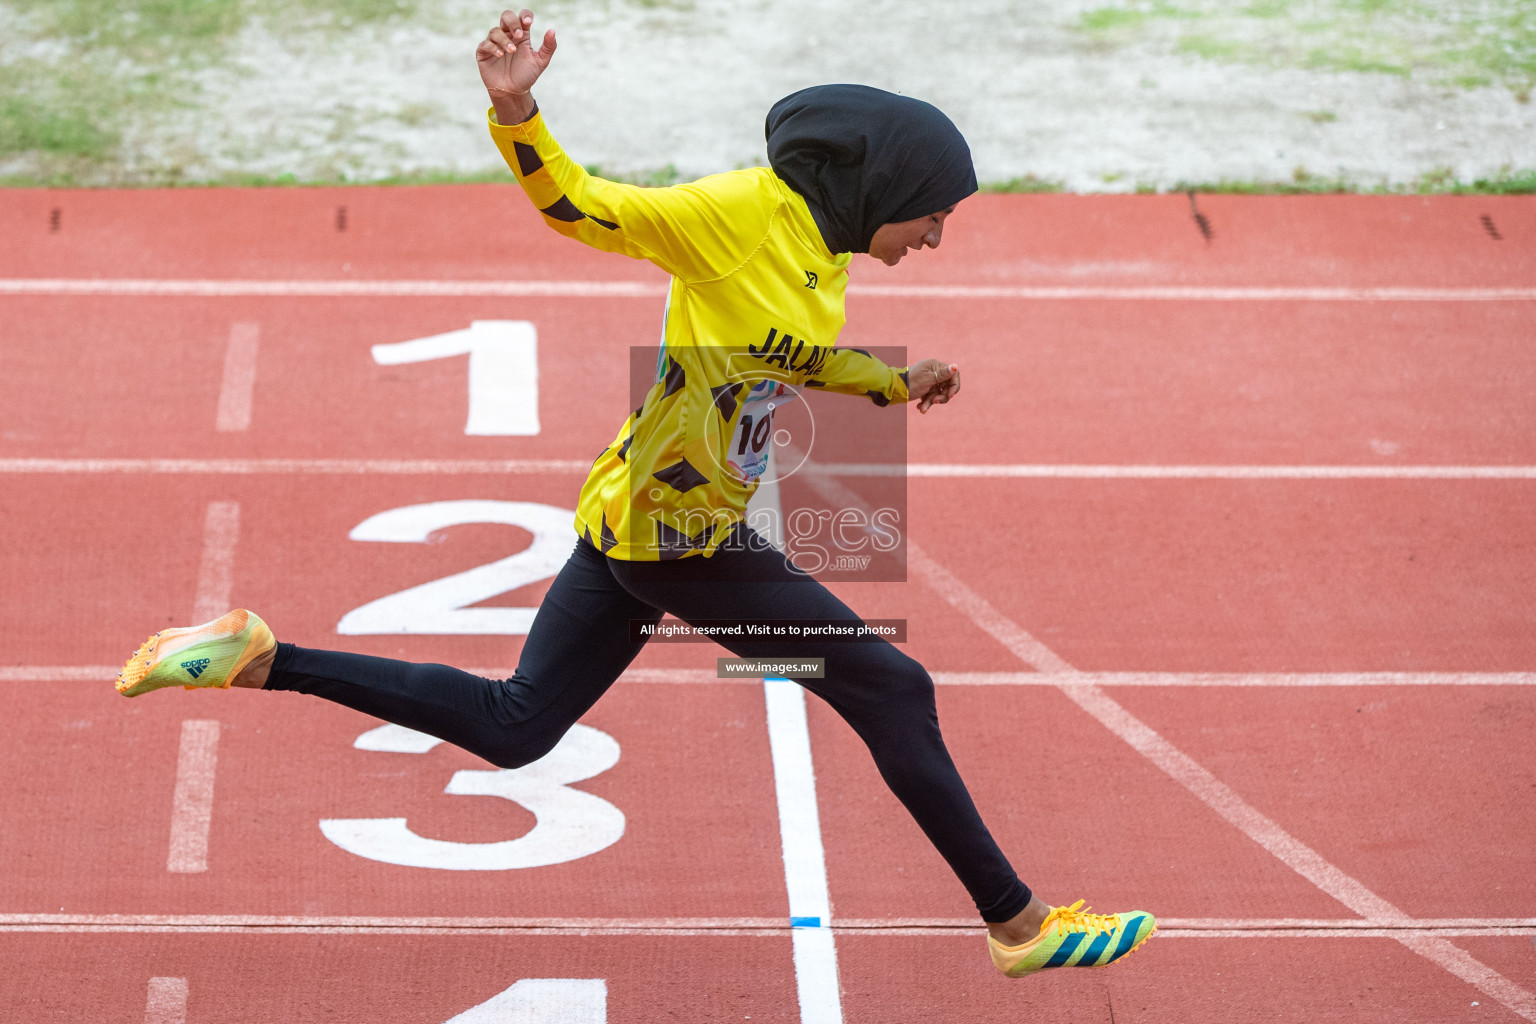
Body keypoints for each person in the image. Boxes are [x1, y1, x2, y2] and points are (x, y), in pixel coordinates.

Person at [113, 8, 1154, 977]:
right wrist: (519, 114)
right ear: (884, 187)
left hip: (632, 525)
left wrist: (888, 381)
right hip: (681, 545)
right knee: (892, 686)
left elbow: (777, 352)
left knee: (518, 726)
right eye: (933, 215)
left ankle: (258, 654)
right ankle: (1017, 924)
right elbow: (584, 209)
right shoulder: (736, 214)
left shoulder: (823, 256)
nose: (935, 237)